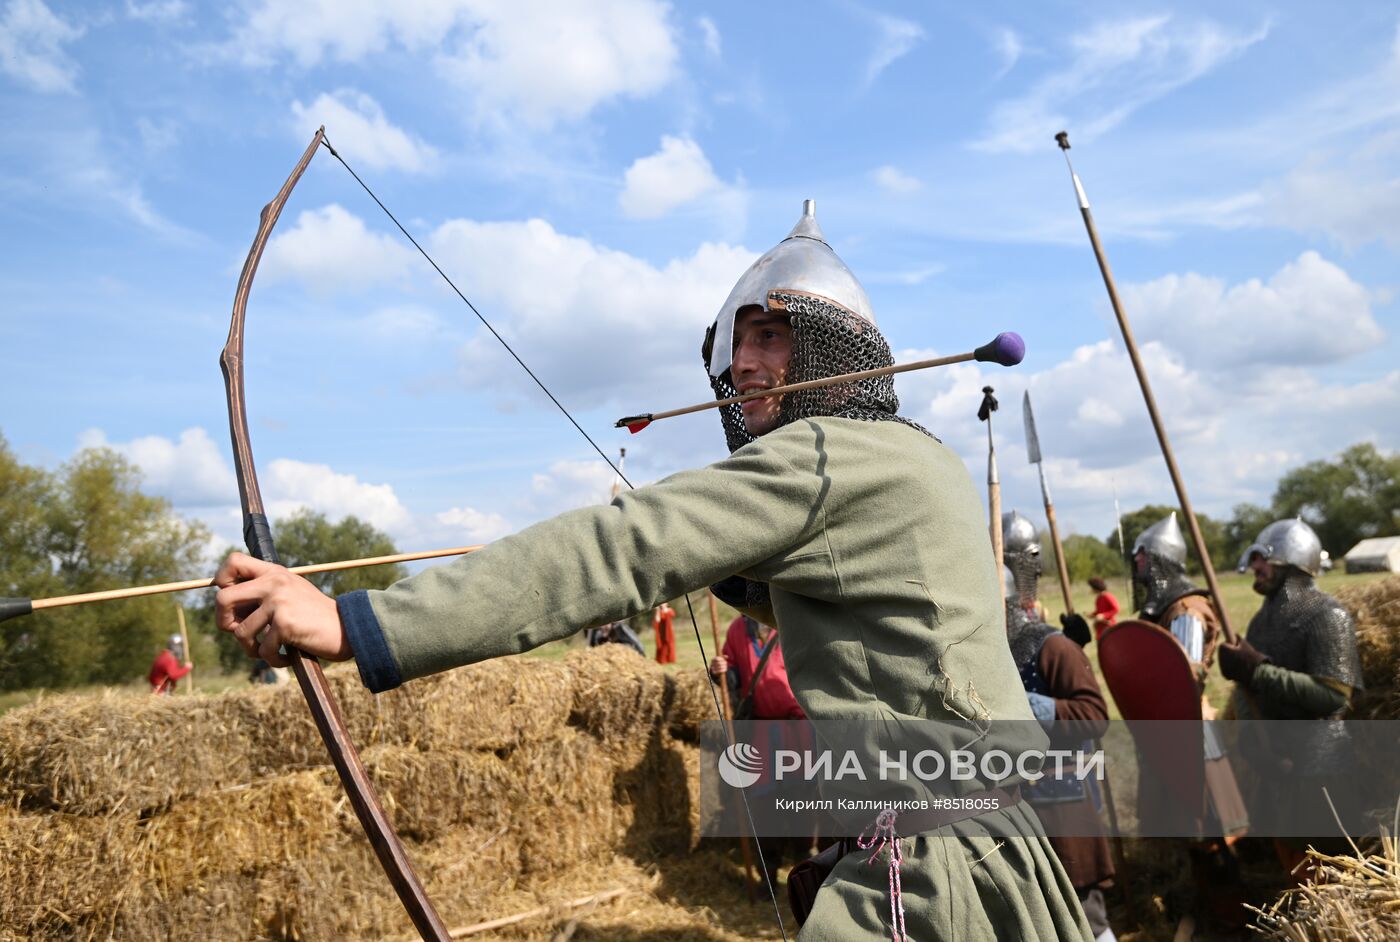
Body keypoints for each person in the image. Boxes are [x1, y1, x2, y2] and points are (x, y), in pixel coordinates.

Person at [215, 200, 1093, 941]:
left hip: (926, 872)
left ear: (833, 352)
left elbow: (621, 548)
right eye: (737, 341)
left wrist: (355, 623)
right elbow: (868, 617)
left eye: (773, 335)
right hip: (1005, 854)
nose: (745, 361)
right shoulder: (918, 459)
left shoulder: (828, 454)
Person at [1220, 517, 1362, 882]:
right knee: (1290, 868)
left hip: (1321, 766)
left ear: (1293, 562)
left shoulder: (1327, 616)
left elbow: (1333, 697)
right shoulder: (1260, 623)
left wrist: (1259, 671)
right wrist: (1252, 741)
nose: (1254, 566)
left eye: (1263, 559)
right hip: (1276, 760)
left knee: (1325, 879)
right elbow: (1246, 692)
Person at [1130, 512, 1249, 927]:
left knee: (1211, 836)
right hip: (1173, 737)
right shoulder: (1165, 607)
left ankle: (1232, 922)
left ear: (1157, 559)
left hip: (1192, 737)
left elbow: (1181, 677)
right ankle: (1210, 913)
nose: (1137, 567)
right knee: (1193, 836)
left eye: (1141, 559)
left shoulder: (1185, 610)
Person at [1002, 516, 1118, 942]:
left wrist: (1026, 706)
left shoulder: (1053, 647)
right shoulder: (986, 654)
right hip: (1012, 807)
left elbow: (1094, 715)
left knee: (1085, 913)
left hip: (1062, 804)